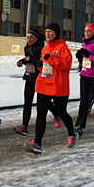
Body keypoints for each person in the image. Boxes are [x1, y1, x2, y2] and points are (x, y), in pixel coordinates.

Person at [24, 23, 77, 153]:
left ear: (56, 33)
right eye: (46, 31)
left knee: (62, 112)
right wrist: (40, 65)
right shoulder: (45, 48)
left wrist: (52, 59)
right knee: (41, 114)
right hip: (44, 85)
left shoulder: (63, 48)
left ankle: (72, 134)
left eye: (50, 32)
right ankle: (37, 143)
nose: (47, 34)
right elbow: (45, 66)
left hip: (59, 86)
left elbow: (66, 66)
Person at [14, 30, 62, 136]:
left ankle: (56, 114)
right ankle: (24, 126)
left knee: (44, 101)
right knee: (27, 102)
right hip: (29, 77)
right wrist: (21, 61)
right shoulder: (27, 47)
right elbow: (27, 58)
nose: (29, 39)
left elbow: (42, 62)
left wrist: (33, 60)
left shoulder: (41, 48)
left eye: (31, 37)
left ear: (36, 38)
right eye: (27, 37)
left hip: (39, 77)